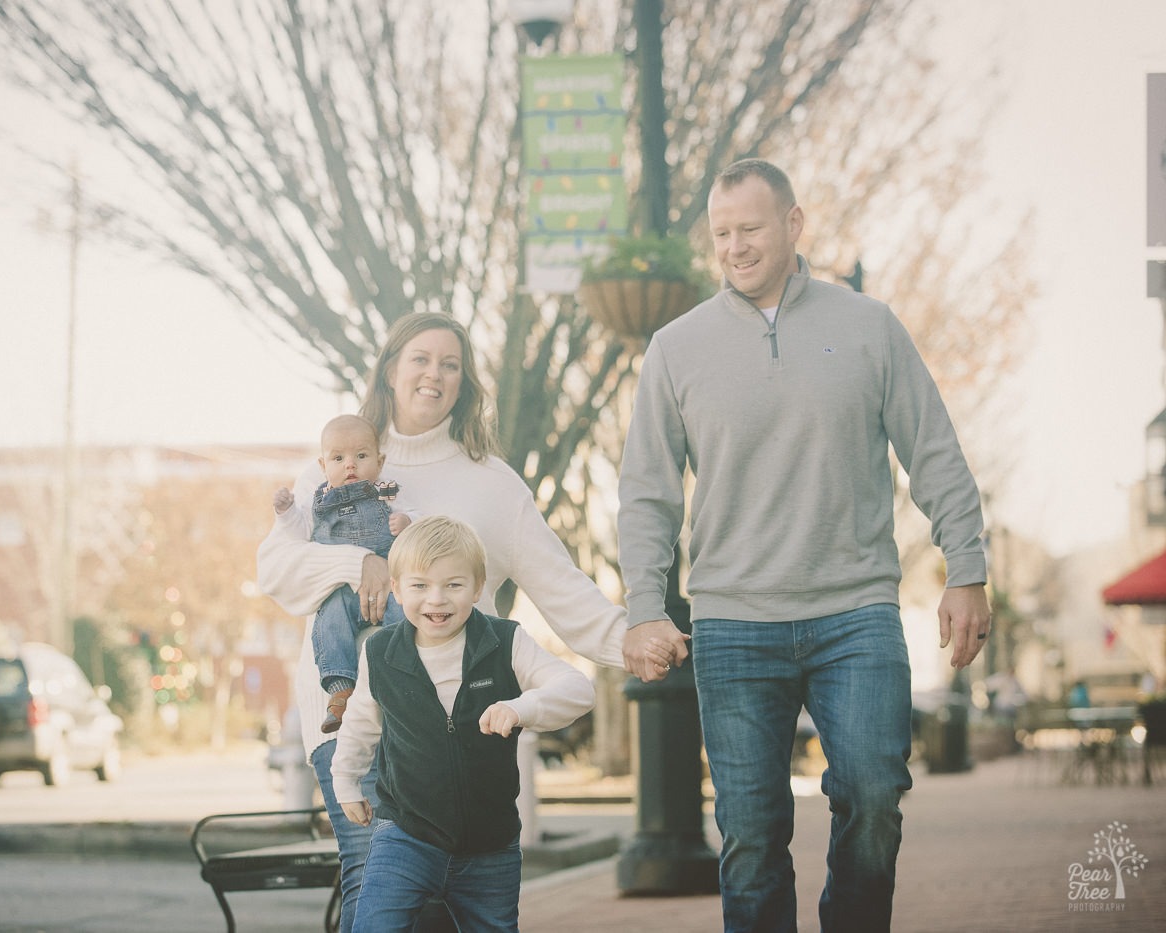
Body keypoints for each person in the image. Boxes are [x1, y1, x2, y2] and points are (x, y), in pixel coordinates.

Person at [616, 159, 991, 932]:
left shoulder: (868, 326)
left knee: (876, 796)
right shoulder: (676, 348)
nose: (735, 248)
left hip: (854, 611)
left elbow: (935, 451)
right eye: (721, 234)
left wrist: (968, 567)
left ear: (793, 225)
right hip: (732, 623)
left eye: (750, 229)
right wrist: (644, 607)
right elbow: (647, 491)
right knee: (751, 836)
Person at [257, 311, 673, 932]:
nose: (434, 374)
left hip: (455, 728)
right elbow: (276, 571)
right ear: (391, 371)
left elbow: (561, 587)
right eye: (420, 359)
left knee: (452, 907)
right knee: (374, 886)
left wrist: (630, 639)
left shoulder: (492, 484)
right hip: (351, 716)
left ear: (464, 382)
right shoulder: (339, 462)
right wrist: (361, 563)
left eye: (450, 364)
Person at [331, 516, 594, 932]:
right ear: (397, 589)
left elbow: (578, 689)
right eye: (419, 586)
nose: (436, 599)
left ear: (477, 587)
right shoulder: (379, 653)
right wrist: (345, 781)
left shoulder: (504, 641)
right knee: (374, 925)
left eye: (453, 585)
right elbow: (362, 723)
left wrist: (522, 707)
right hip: (406, 834)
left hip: (490, 845)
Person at [273, 413, 413, 733]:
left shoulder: (386, 491)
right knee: (330, 618)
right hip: (342, 591)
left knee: (404, 614)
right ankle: (340, 689)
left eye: (361, 456)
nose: (350, 465)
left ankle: (404, 678)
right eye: (339, 458)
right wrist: (285, 512)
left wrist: (406, 523)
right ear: (323, 466)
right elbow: (300, 531)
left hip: (388, 586)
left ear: (379, 461)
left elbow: (414, 514)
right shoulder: (318, 500)